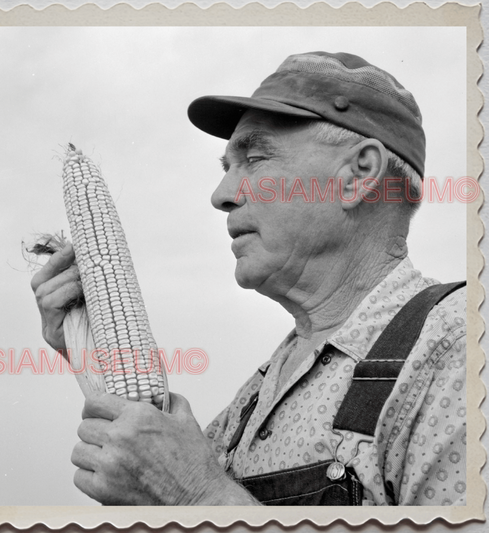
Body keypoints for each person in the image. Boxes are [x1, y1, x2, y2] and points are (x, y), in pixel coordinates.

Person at [31, 51, 466, 506]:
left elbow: (192, 493)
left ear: (358, 175)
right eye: (226, 168)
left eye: (254, 158)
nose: (221, 195)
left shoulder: (457, 354)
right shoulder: (256, 394)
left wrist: (197, 496)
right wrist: (92, 348)